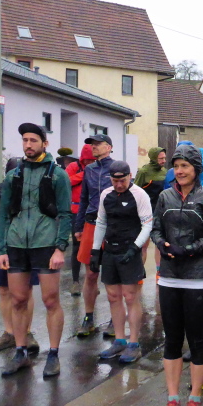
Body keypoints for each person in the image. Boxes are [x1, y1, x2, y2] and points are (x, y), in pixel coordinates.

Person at [153, 144, 203, 406]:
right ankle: (172, 400)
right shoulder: (165, 196)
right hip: (169, 275)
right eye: (176, 166)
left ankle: (195, 400)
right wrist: (162, 244)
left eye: (185, 166)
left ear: (196, 169)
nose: (179, 171)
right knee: (171, 338)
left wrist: (189, 250)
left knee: (195, 339)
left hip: (198, 276)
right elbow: (156, 228)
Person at [0, 123, 72, 377]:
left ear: (44, 144)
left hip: (45, 244)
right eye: (25, 140)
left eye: (33, 140)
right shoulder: (13, 176)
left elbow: (65, 213)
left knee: (50, 300)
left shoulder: (58, 175)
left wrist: (60, 248)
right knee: (18, 299)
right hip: (16, 244)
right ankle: (21, 353)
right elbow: (4, 214)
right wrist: (2, 249)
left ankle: (53, 354)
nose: (28, 145)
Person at [91, 161, 153, 363]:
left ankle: (134, 343)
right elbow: (101, 221)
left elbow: (147, 224)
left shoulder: (139, 195)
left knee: (130, 296)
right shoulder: (106, 194)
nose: (119, 185)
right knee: (113, 296)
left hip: (130, 250)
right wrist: (95, 251)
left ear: (130, 176)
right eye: (115, 181)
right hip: (110, 250)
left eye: (123, 181)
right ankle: (119, 340)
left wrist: (135, 247)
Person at [0, 158, 39, 353]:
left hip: (27, 245)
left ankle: (27, 332)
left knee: (27, 290)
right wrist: (1, 221)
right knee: (4, 290)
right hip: (1, 245)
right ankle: (9, 333)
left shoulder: (34, 191)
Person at [74, 133, 114, 337]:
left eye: (98, 144)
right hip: (91, 223)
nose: (94, 147)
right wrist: (78, 225)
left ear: (109, 147)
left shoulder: (117, 168)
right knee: (90, 274)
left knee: (112, 275)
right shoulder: (88, 170)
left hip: (113, 225)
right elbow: (83, 199)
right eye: (92, 144)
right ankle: (88, 317)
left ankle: (115, 319)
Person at [65, 144, 95, 296]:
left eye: (92, 161)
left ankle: (92, 281)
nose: (90, 163)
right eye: (87, 161)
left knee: (95, 247)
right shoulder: (73, 167)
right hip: (76, 212)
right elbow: (66, 182)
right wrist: (83, 174)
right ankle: (76, 281)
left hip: (93, 212)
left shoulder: (97, 168)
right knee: (76, 246)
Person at [134, 147, 166, 271]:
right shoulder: (144, 172)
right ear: (153, 158)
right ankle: (139, 273)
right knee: (143, 245)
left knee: (160, 244)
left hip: (161, 212)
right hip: (145, 213)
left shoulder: (165, 172)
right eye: (160, 158)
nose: (163, 161)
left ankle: (159, 272)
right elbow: (135, 191)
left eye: (164, 158)